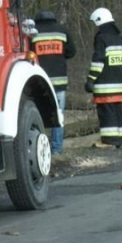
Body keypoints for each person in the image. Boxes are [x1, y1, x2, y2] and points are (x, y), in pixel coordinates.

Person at [31, 10, 76, 154]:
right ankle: (56, 148)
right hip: (59, 81)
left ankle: (40, 149)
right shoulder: (62, 30)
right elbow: (72, 52)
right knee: (58, 115)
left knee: (37, 116)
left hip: (39, 83)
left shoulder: (32, 33)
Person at [86, 7, 122, 149]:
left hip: (104, 85)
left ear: (99, 20)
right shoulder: (119, 39)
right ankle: (120, 140)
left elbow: (98, 61)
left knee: (106, 112)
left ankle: (109, 141)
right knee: (117, 112)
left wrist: (91, 79)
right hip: (119, 84)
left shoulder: (101, 38)